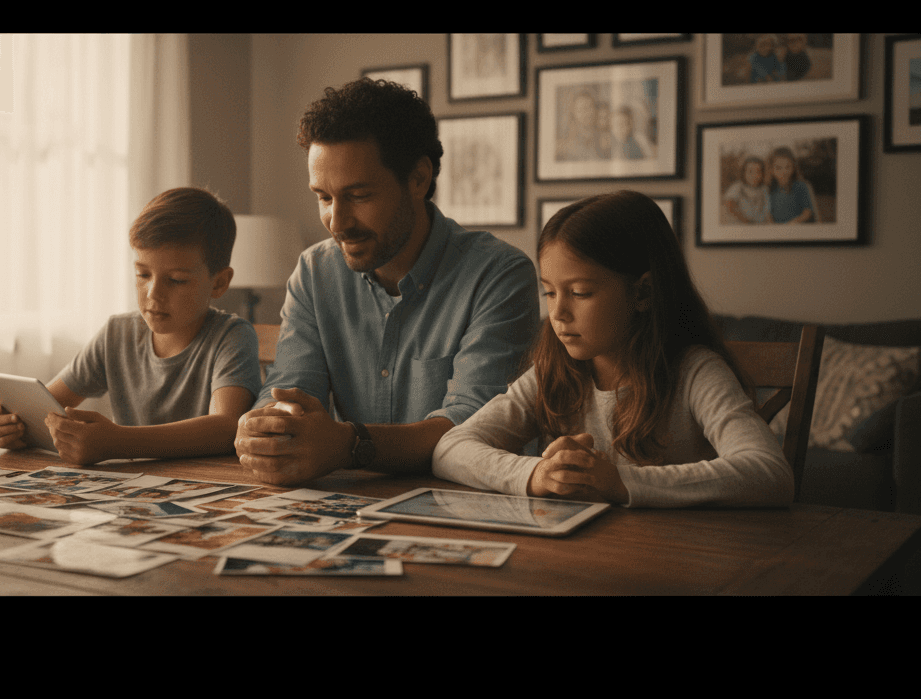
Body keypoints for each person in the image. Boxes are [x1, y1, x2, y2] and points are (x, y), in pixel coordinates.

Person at [235, 78, 541, 487]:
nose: (336, 223)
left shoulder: (499, 275)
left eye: (358, 195)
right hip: (349, 506)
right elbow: (288, 391)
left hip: (471, 508)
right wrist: (267, 430)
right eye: (324, 197)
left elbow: (472, 429)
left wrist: (349, 444)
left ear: (418, 179)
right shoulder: (313, 272)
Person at [432, 191, 793, 508]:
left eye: (580, 293)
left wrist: (620, 483)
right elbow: (450, 449)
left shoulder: (695, 372)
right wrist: (538, 473)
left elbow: (768, 471)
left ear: (643, 293)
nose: (557, 314)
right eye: (550, 292)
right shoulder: (552, 373)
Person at [0, 187, 262, 465]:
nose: (153, 294)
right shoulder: (118, 334)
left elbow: (225, 428)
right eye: (142, 274)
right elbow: (45, 408)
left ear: (219, 283)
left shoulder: (232, 336)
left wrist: (117, 442)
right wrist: (15, 426)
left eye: (176, 279)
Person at [766, 146, 818, 224]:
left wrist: (795, 222)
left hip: (797, 228)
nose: (784, 171)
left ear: (793, 167)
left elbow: (808, 211)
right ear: (772, 170)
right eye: (778, 168)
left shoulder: (800, 186)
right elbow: (768, 213)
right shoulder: (769, 189)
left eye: (788, 167)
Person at [722, 156, 771, 224]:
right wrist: (747, 222)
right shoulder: (738, 186)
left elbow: (767, 210)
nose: (754, 175)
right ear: (744, 173)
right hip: (741, 225)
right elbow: (730, 204)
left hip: (759, 225)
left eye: (758, 171)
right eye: (750, 172)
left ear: (762, 174)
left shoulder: (764, 189)